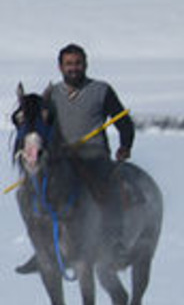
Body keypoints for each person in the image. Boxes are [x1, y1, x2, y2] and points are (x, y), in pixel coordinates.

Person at [15, 43, 135, 274]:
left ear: (85, 64)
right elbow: (31, 120)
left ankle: (115, 242)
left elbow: (124, 122)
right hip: (61, 158)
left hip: (93, 155)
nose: (73, 68)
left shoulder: (101, 90)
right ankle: (41, 250)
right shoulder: (51, 96)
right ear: (60, 66)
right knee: (27, 193)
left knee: (107, 188)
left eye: (77, 63)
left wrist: (125, 145)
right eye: (68, 64)